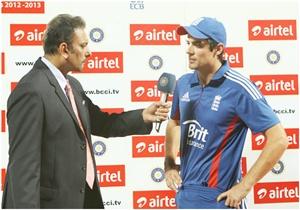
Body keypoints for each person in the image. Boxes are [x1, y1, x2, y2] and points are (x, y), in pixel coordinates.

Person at [1, 14, 170, 209]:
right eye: (83, 46)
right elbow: (23, 167)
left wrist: (142, 116)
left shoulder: (73, 85)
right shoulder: (31, 90)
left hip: (84, 200)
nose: (89, 53)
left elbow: (103, 124)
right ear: (64, 49)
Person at [164, 17, 289, 209]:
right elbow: (174, 122)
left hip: (219, 199)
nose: (189, 50)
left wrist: (245, 187)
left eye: (198, 44)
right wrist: (170, 164)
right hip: (185, 196)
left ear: (218, 49)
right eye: (188, 43)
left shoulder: (239, 88)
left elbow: (279, 139)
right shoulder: (183, 83)